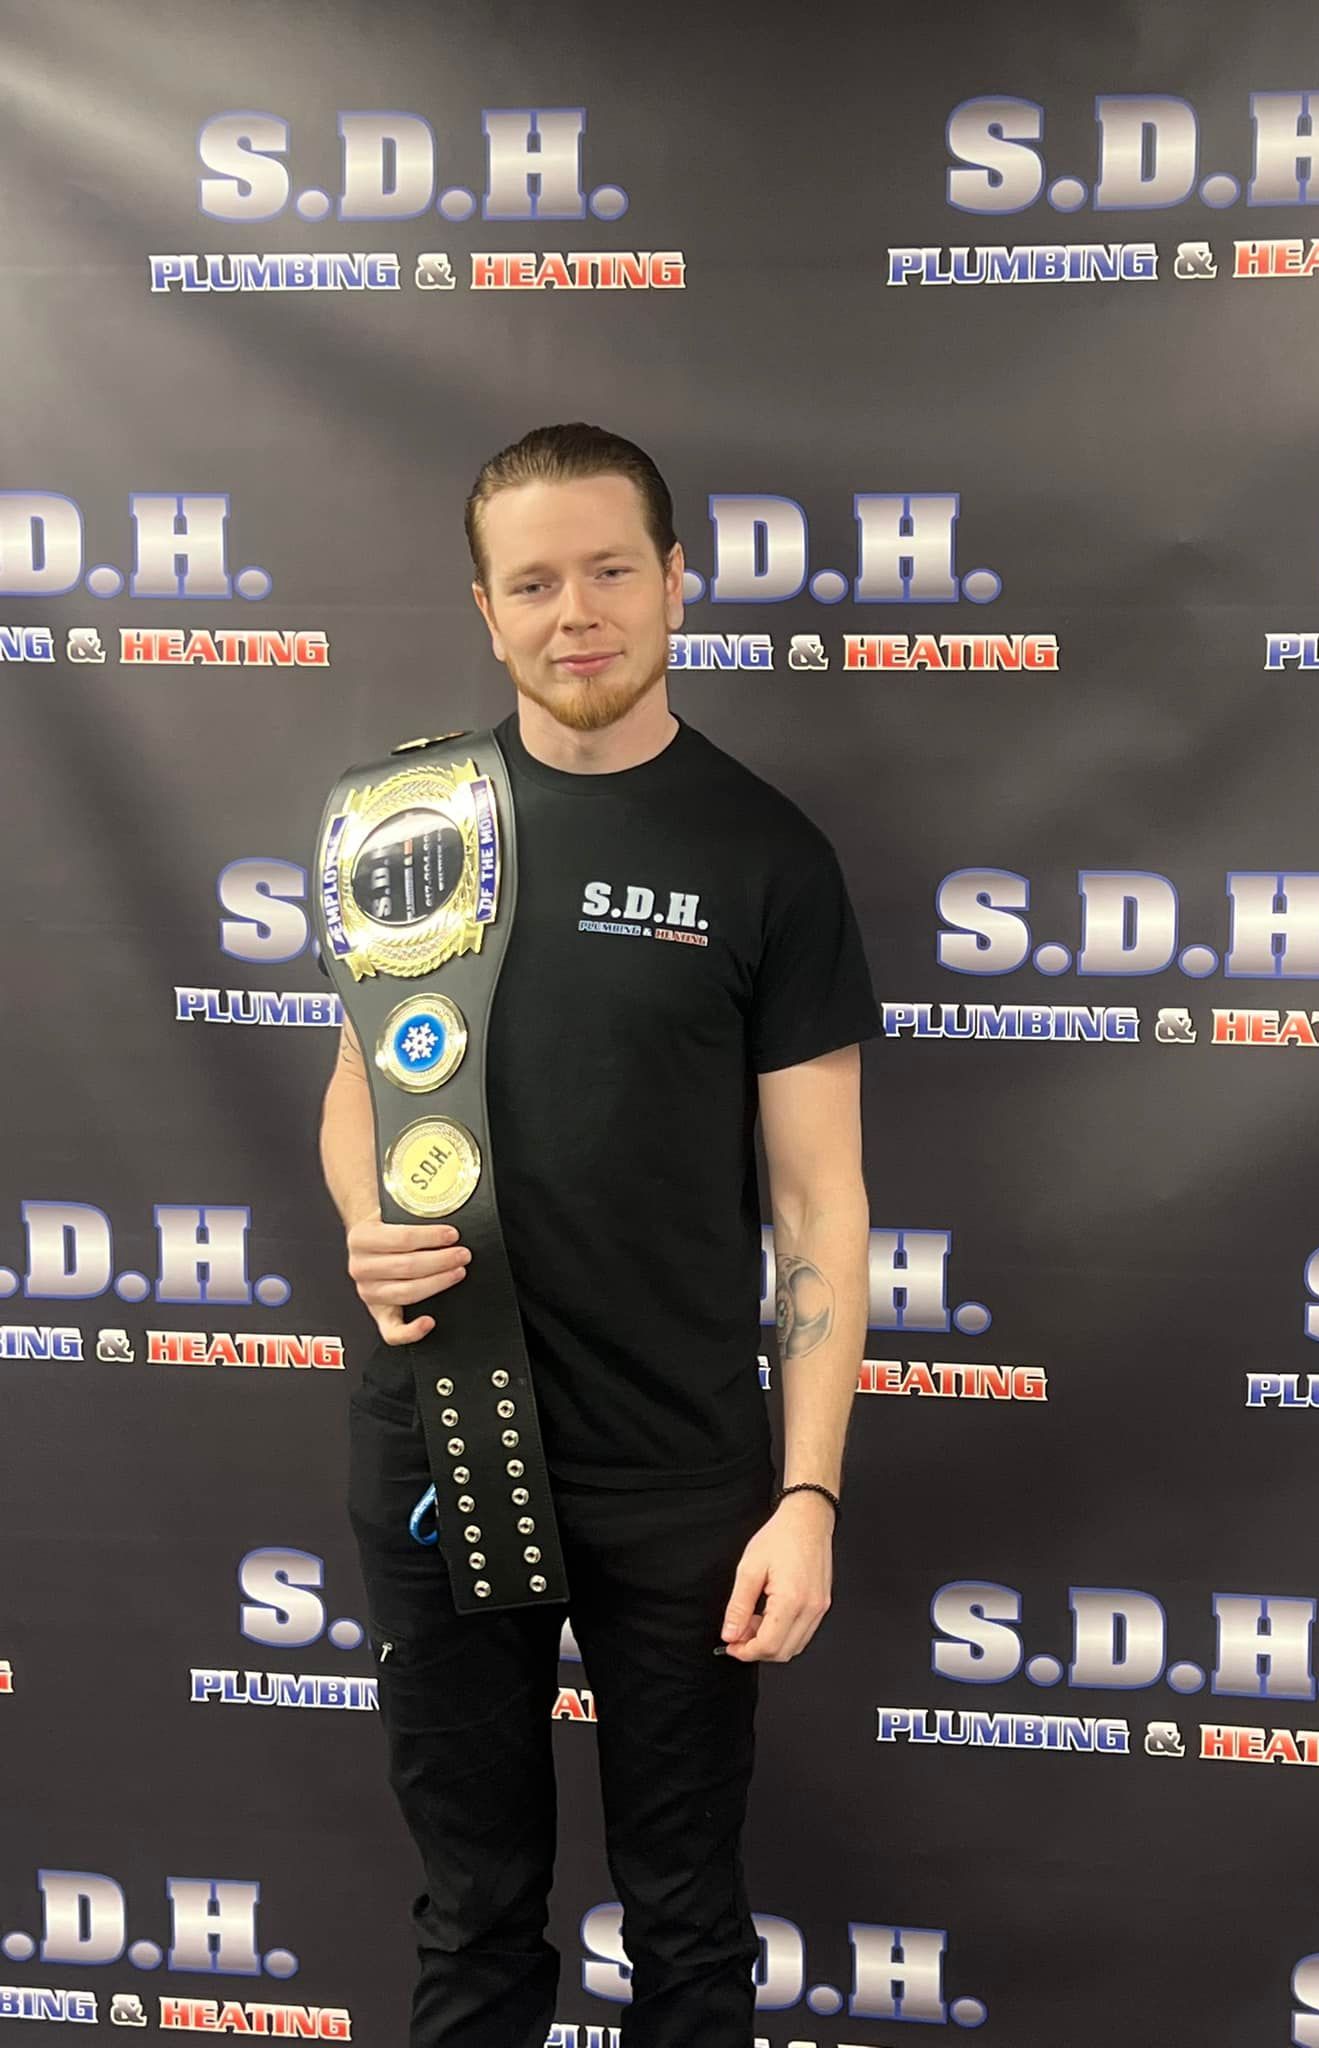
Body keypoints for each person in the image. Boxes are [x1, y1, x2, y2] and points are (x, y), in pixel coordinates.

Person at [317, 421, 881, 2048]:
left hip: (679, 1471)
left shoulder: (767, 854)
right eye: (535, 582)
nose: (577, 614)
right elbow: (359, 1086)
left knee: (688, 1923)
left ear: (677, 583)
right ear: (485, 610)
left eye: (613, 571)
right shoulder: (407, 826)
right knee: (473, 1912)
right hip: (443, 1435)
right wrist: (365, 1219)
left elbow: (819, 1203)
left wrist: (808, 1497)